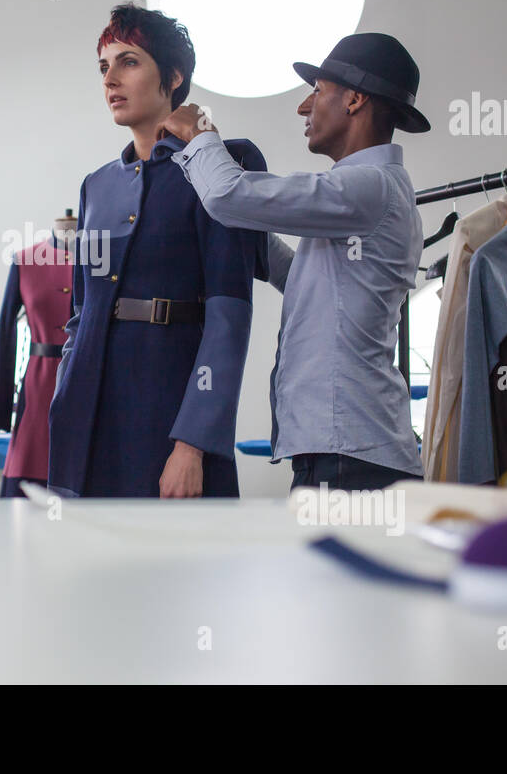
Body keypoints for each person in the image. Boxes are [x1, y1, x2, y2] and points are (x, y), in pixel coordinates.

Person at [162, 32, 429, 491]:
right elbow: (306, 281)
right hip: (342, 451)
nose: (304, 107)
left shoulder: (371, 187)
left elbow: (228, 194)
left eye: (317, 91)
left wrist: (202, 136)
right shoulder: (366, 195)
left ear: (355, 100)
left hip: (351, 456)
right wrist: (245, 241)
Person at [47, 3, 268, 498]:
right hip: (89, 407)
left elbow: (229, 316)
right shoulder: (96, 186)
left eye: (128, 62)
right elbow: (80, 314)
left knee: (179, 566)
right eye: (104, 67)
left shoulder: (218, 168)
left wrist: (193, 444)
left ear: (173, 76)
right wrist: (64, 397)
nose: (110, 80)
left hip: (170, 408)